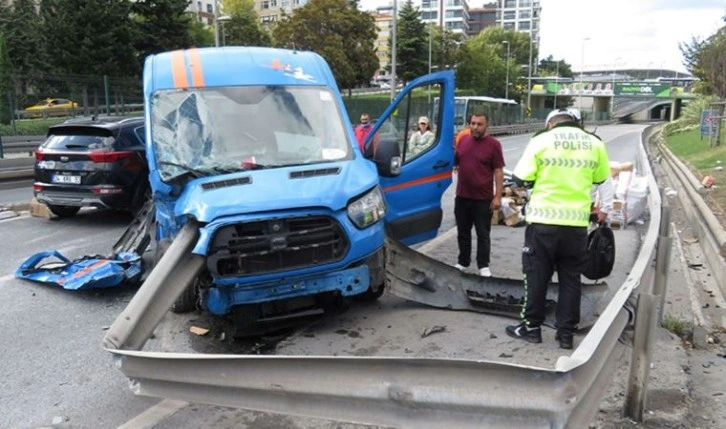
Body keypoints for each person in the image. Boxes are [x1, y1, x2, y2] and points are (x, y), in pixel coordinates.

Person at [505, 108, 610, 349]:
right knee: (571, 279)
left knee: (536, 276)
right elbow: (600, 178)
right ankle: (565, 334)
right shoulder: (594, 143)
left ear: (551, 124)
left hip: (543, 222)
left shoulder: (541, 139)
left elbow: (521, 177)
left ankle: (531, 328)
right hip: (576, 226)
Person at [453, 112, 504, 277]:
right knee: (463, 232)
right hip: (462, 196)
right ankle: (463, 261)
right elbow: (456, 161)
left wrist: (497, 196)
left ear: (486, 125)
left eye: (479, 124)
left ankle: (483, 265)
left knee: (483, 233)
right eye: (472, 123)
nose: (475, 127)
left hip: (483, 199)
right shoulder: (463, 140)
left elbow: (498, 171)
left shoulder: (494, 145)